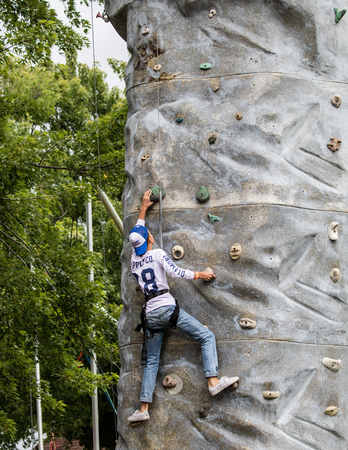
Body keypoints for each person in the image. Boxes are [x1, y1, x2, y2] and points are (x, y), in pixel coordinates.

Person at [127, 190, 239, 422]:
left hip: (150, 316)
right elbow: (177, 272)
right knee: (206, 336)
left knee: (152, 361)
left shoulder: (134, 261)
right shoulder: (157, 253)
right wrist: (202, 274)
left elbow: (135, 238)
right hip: (167, 309)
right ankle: (213, 382)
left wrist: (143, 209)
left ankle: (143, 410)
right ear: (149, 238)